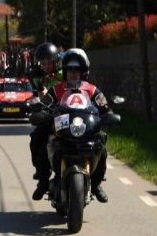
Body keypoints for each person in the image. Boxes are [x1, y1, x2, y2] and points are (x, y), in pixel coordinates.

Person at [47, 47, 110, 203]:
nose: (73, 73)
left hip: (86, 130)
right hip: (62, 131)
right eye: (70, 70)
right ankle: (42, 181)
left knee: (101, 144)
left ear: (83, 72)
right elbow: (44, 104)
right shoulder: (56, 90)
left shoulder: (92, 90)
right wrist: (40, 111)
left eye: (77, 70)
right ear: (65, 71)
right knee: (40, 139)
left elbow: (105, 106)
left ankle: (96, 185)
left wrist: (109, 114)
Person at [28, 42, 62, 200]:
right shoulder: (37, 77)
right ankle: (42, 181)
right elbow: (40, 97)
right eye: (43, 63)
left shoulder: (65, 73)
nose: (46, 66)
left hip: (70, 113)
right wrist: (39, 89)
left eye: (49, 63)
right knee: (37, 139)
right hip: (50, 116)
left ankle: (95, 182)